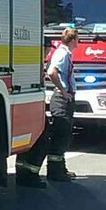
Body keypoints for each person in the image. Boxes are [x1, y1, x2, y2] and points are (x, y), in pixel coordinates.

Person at [45, 27, 79, 182]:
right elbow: (52, 72)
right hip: (61, 100)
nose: (78, 42)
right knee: (60, 136)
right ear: (72, 40)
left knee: (64, 136)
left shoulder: (65, 53)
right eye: (77, 39)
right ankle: (54, 172)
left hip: (65, 99)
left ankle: (61, 169)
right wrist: (63, 90)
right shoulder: (62, 53)